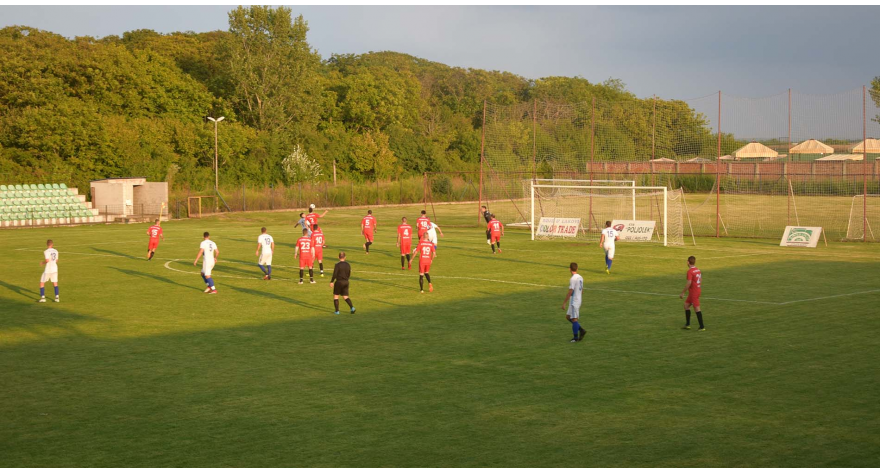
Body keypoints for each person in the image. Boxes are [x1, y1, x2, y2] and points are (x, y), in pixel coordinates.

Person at [561, 262, 586, 343]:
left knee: (574, 319)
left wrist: (564, 302)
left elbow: (570, 291)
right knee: (568, 317)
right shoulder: (580, 277)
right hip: (577, 299)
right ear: (577, 268)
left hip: (574, 301)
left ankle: (575, 338)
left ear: (569, 269)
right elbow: (582, 290)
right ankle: (581, 330)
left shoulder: (573, 279)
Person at [680, 256, 705, 331]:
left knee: (697, 308)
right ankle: (687, 324)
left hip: (694, 292)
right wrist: (698, 286)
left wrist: (683, 293)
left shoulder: (690, 271)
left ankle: (702, 326)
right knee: (686, 305)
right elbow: (700, 279)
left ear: (688, 262)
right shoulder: (698, 270)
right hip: (696, 291)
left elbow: (689, 283)